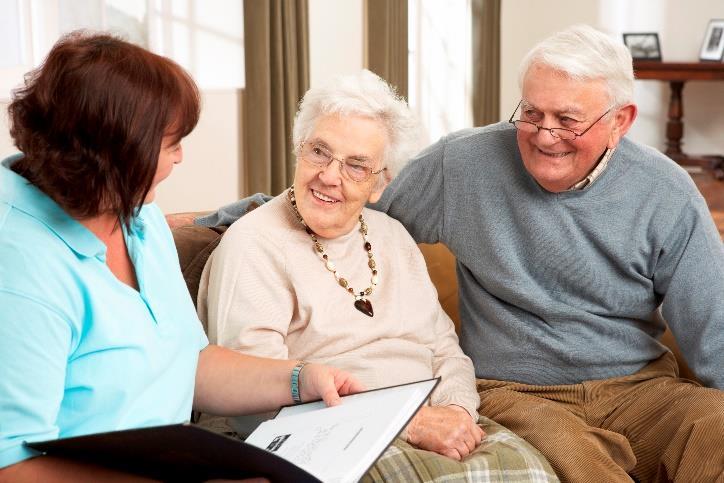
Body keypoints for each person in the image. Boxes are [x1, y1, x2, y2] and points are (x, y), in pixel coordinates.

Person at [199, 25, 724, 482]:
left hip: (640, 388)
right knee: (570, 456)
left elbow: (714, 332)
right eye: (532, 113)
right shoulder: (466, 164)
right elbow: (349, 190)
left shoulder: (667, 194)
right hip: (517, 392)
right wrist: (232, 216)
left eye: (568, 120)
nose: (544, 136)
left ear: (621, 120)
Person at [0, 31, 363, 482]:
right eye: (171, 143)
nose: (180, 157)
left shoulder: (136, 212)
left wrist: (299, 379)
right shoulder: (19, 266)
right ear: (114, 152)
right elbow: (12, 467)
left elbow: (189, 362)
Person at [197, 70, 558, 481]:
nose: (330, 176)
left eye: (356, 166)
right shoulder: (254, 245)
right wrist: (408, 424)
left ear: (379, 184)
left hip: (430, 417)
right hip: (328, 433)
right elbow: (255, 391)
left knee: (532, 472)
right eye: (319, 152)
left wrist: (457, 411)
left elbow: (444, 349)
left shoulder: (392, 236)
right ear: (299, 149)